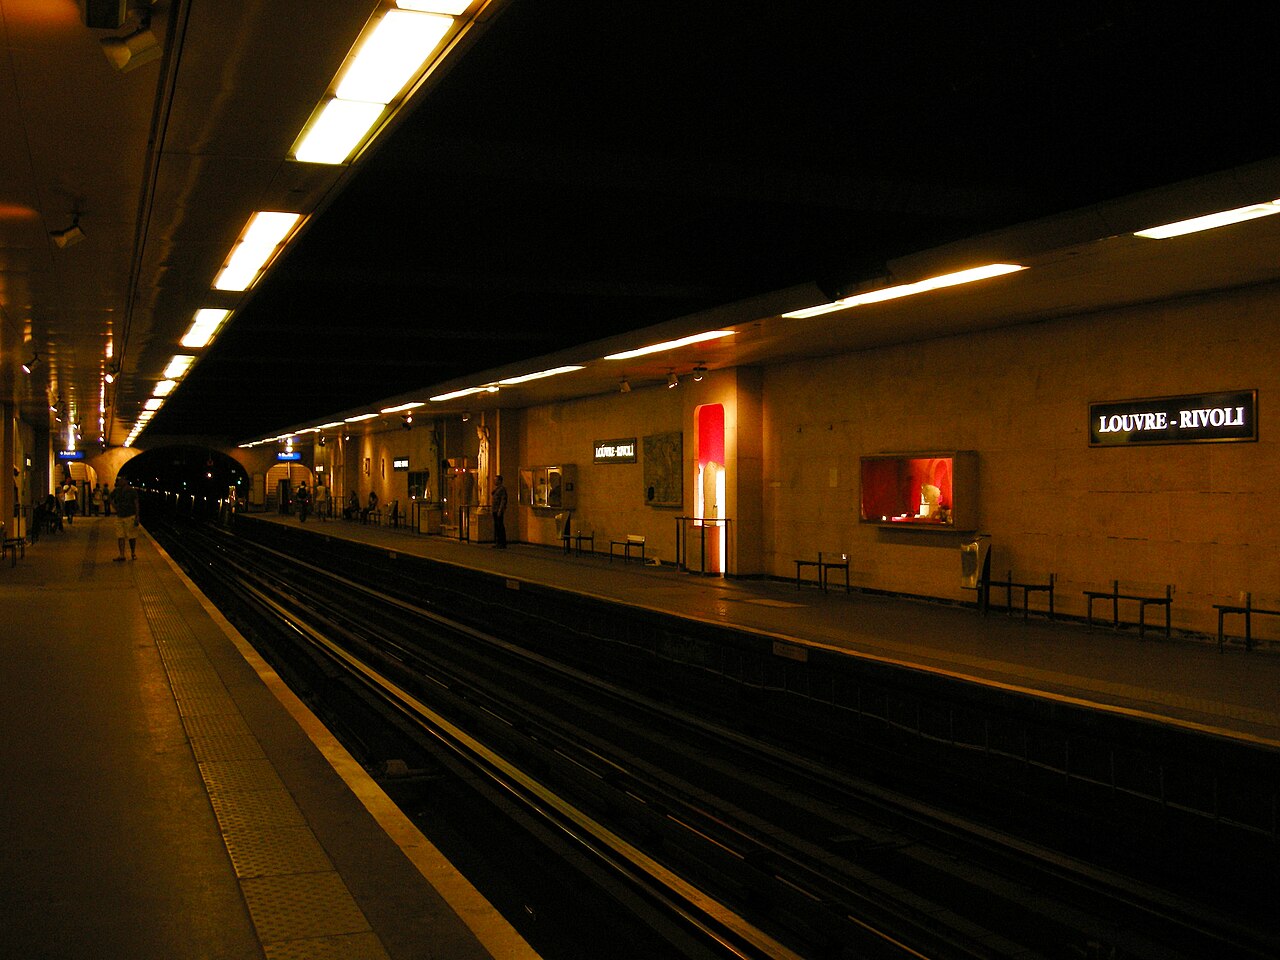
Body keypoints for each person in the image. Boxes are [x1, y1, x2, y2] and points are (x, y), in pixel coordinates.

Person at [110, 481, 140, 561]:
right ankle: (122, 555)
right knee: (120, 536)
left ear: (126, 481)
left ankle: (133, 553)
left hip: (130, 516)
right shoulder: (116, 490)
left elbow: (136, 503)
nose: (119, 481)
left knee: (132, 536)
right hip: (119, 516)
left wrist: (137, 516)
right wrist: (114, 506)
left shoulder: (132, 491)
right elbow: (110, 497)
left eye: (121, 479)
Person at [491, 474, 508, 548]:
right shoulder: (497, 489)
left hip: (498, 510)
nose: (494, 481)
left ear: (500, 481)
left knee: (500, 526)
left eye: (496, 480)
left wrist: (500, 510)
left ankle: (502, 542)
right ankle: (498, 542)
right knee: (497, 526)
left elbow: (503, 500)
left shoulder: (502, 489)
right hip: (495, 509)